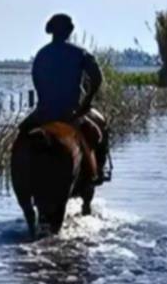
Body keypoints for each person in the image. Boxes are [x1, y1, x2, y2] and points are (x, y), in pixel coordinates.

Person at [19, 13, 110, 185]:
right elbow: (97, 78)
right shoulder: (80, 53)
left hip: (44, 112)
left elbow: (37, 80)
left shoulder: (41, 55)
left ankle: (20, 177)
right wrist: (87, 102)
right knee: (100, 128)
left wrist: (44, 102)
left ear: (51, 32)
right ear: (69, 32)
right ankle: (97, 171)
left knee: (22, 132)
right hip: (72, 112)